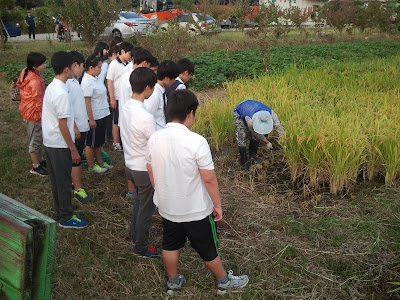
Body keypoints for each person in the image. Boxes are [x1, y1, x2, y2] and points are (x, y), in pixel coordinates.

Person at [146, 89, 249, 295]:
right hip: (196, 209)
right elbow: (209, 178)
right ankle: (223, 281)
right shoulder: (197, 141)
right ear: (191, 113)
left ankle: (173, 282)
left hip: (167, 207)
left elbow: (150, 169)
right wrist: (217, 205)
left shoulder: (154, 139)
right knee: (207, 247)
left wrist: (161, 191)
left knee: (170, 243)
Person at [42, 51, 88, 229]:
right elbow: (63, 125)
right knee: (63, 182)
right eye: (73, 66)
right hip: (60, 144)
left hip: (50, 142)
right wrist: (73, 149)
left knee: (56, 181)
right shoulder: (61, 92)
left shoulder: (53, 86)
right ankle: (66, 218)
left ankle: (60, 212)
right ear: (67, 69)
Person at [119, 67, 159, 258]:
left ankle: (134, 236)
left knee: (138, 202)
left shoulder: (126, 106)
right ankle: (141, 247)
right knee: (146, 209)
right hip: (143, 169)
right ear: (148, 88)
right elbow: (154, 147)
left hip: (130, 164)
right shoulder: (146, 117)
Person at [118, 47, 153, 199]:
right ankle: (131, 188)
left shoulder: (126, 76)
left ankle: (132, 188)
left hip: (126, 120)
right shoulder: (130, 78)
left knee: (129, 153)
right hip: (134, 123)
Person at [17, 52, 49, 176]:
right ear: (35, 66)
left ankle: (40, 160)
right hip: (33, 114)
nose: (45, 65)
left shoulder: (27, 71)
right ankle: (35, 166)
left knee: (38, 136)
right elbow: (38, 102)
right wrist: (43, 116)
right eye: (42, 64)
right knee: (35, 139)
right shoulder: (34, 81)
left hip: (27, 109)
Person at [81, 55, 113, 173]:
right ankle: (91, 165)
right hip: (95, 116)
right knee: (91, 143)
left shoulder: (96, 78)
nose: (100, 70)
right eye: (99, 67)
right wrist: (91, 119)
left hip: (103, 114)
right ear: (91, 67)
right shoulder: (87, 82)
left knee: (98, 142)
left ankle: (100, 162)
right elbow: (87, 102)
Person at [233, 100, 285, 171]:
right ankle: (244, 161)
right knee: (242, 135)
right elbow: (256, 133)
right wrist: (267, 142)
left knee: (256, 136)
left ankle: (252, 154)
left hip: (254, 106)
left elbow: (279, 129)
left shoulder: (272, 115)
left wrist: (285, 144)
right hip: (240, 110)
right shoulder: (250, 121)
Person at [66, 51, 90, 203]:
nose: (83, 69)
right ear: (75, 66)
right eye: (82, 66)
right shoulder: (67, 84)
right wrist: (75, 127)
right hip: (76, 129)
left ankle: (74, 182)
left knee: (76, 157)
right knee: (75, 159)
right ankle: (78, 189)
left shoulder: (74, 81)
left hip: (81, 126)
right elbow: (67, 109)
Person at [106, 42, 133, 151]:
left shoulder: (129, 64)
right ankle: (116, 142)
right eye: (129, 54)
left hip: (126, 97)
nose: (130, 56)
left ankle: (124, 141)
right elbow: (109, 81)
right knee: (116, 120)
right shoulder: (113, 64)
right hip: (117, 97)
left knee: (125, 119)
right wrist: (112, 97)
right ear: (122, 52)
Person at [144, 60, 180, 130]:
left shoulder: (161, 92)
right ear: (166, 78)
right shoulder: (154, 95)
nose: (174, 81)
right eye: (173, 78)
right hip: (156, 132)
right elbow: (147, 118)